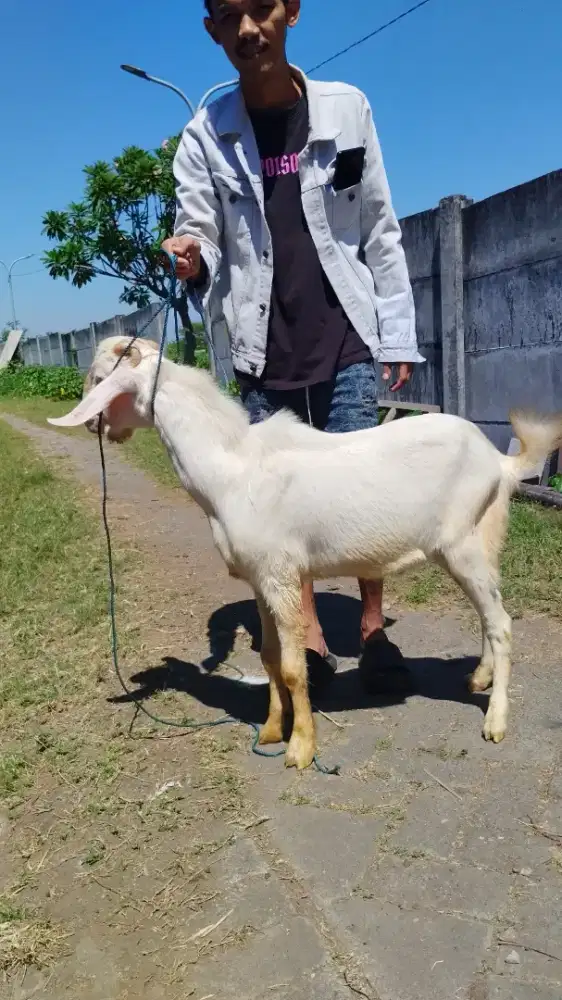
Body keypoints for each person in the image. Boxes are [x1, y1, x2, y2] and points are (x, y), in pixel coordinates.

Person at [162, 0, 424, 694]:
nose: (249, 30)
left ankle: (373, 629)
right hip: (261, 342)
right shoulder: (205, 134)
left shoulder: (346, 109)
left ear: (292, 11)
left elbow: (379, 226)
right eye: (230, 16)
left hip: (345, 332)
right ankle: (307, 634)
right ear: (213, 29)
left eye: (262, 9)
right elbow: (200, 228)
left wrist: (397, 333)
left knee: (362, 487)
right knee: (281, 497)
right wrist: (190, 252)